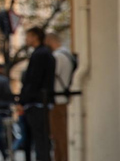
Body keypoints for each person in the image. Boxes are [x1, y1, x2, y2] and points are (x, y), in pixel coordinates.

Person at [18, 26, 56, 161]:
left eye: (28, 36)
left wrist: (23, 101)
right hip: (41, 101)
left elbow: (33, 80)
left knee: (40, 138)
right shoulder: (44, 53)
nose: (26, 39)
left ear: (35, 37)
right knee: (41, 138)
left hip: (37, 102)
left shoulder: (40, 54)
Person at [45, 32, 75, 161]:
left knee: (59, 136)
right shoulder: (67, 54)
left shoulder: (57, 57)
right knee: (60, 136)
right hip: (64, 98)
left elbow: (50, 76)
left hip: (58, 100)